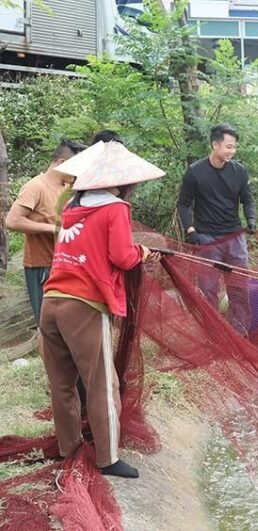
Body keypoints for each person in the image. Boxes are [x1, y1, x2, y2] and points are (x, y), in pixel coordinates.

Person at [39, 140, 164, 478]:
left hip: (51, 302)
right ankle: (108, 459)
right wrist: (142, 252)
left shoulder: (72, 208)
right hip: (85, 305)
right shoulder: (115, 209)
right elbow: (122, 257)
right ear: (122, 181)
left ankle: (69, 448)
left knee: (62, 383)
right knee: (101, 384)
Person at [177, 124, 256, 334]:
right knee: (208, 288)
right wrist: (190, 230)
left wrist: (251, 219)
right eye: (228, 147)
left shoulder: (239, 171)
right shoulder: (196, 172)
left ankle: (240, 332)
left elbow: (247, 200)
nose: (231, 151)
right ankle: (211, 333)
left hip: (234, 237)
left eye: (234, 147)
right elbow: (183, 204)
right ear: (215, 144)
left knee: (239, 284)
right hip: (207, 239)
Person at [5, 139, 86, 326]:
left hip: (64, 263)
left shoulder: (68, 190)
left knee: (65, 326)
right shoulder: (36, 186)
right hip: (42, 266)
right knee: (48, 326)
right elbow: (12, 220)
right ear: (61, 163)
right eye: (77, 168)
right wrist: (52, 229)